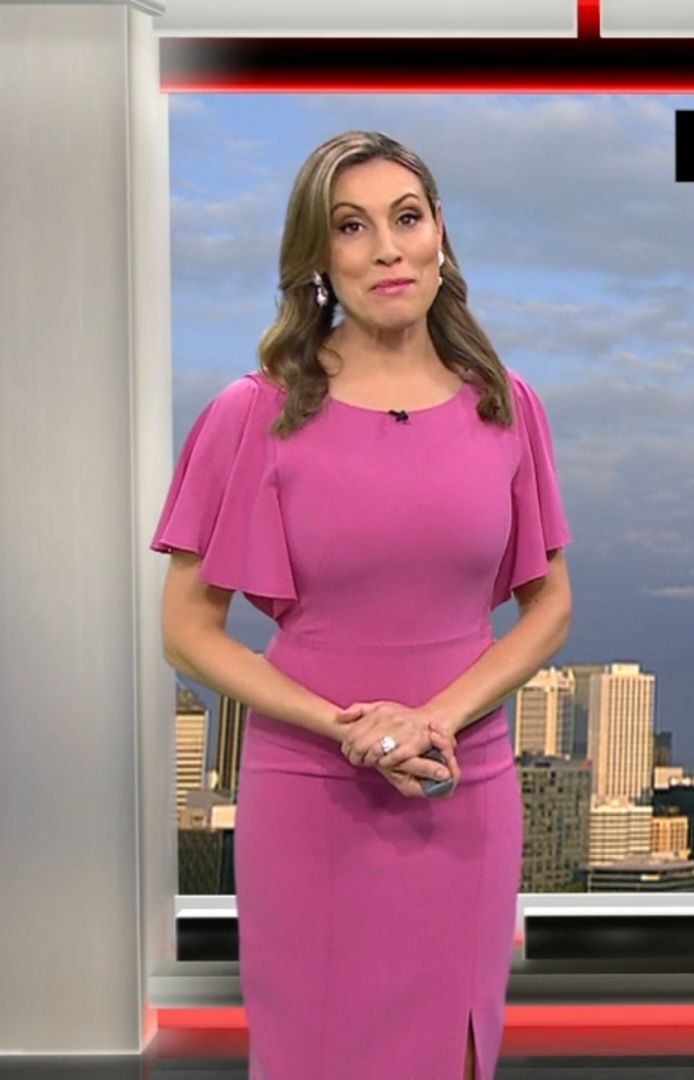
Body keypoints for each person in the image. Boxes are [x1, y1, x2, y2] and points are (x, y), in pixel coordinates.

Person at [149, 129, 573, 1080]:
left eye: (406, 218)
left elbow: (549, 606)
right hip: (311, 791)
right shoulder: (253, 412)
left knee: (454, 1051)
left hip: (462, 783)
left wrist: (432, 720)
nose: (387, 248)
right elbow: (187, 631)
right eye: (352, 227)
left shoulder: (507, 406)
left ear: (439, 235)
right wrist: (352, 730)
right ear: (318, 256)